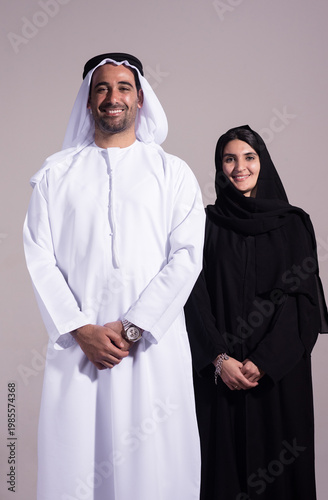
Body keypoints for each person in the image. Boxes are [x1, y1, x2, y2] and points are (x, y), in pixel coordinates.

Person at [24, 53, 205, 500]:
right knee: (77, 465)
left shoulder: (173, 172)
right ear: (88, 102)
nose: (112, 98)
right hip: (79, 349)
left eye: (123, 87)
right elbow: (38, 257)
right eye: (102, 88)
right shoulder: (55, 175)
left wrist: (131, 326)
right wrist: (80, 328)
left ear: (140, 99)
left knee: (154, 466)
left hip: (149, 350)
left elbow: (187, 256)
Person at [185, 125, 328, 500]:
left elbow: (304, 300)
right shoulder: (204, 224)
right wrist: (220, 359)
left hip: (278, 377)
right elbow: (192, 296)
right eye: (229, 159)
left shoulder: (293, 223)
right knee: (221, 471)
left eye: (249, 157)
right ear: (219, 167)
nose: (240, 167)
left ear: (262, 162)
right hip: (221, 376)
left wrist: (265, 361)